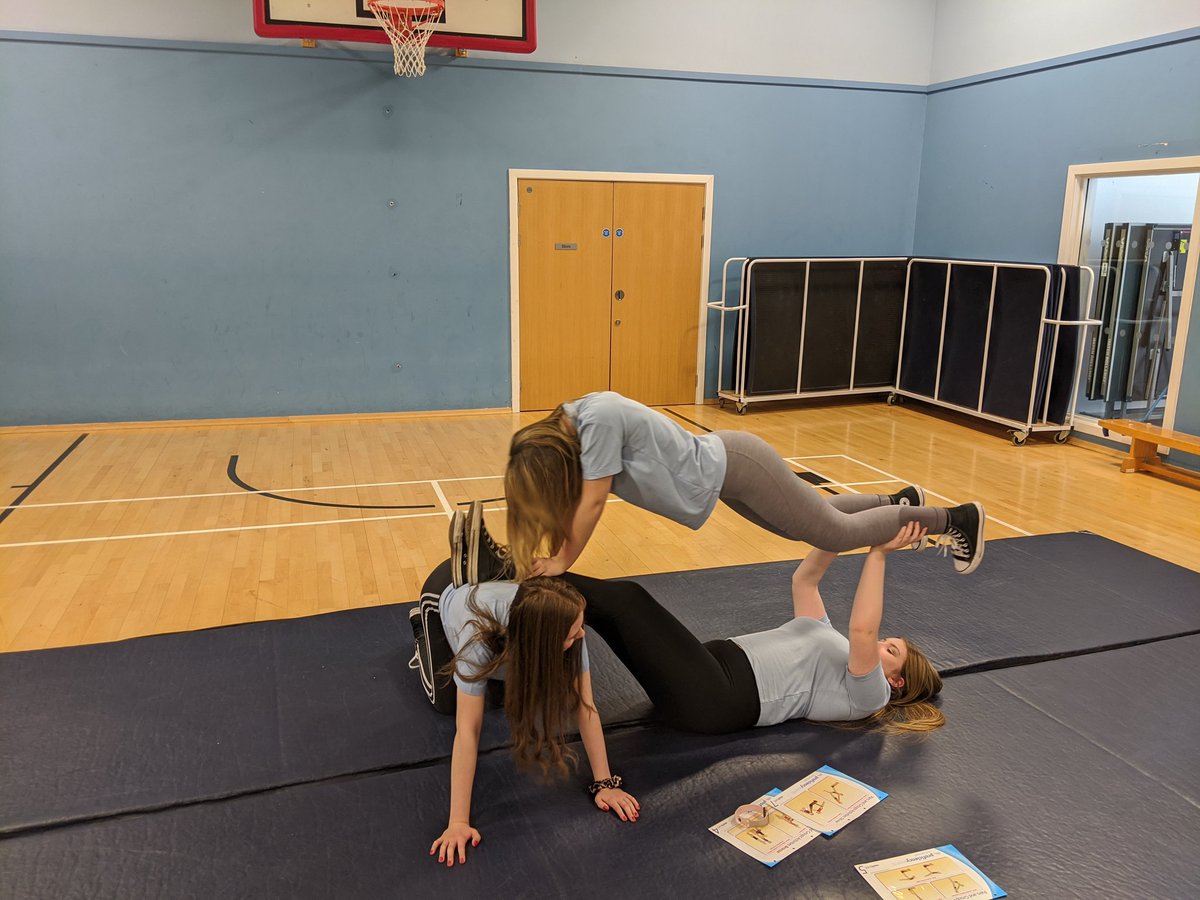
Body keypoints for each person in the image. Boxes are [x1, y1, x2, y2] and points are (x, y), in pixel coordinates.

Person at [409, 508, 944, 865]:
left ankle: (523, 574)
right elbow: (805, 580)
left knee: (628, 602)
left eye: (892, 653)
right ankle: (524, 584)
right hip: (712, 667)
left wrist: (878, 551)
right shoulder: (822, 632)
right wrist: (846, 525)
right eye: (890, 643)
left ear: (896, 682)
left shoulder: (868, 690)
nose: (881, 646)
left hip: (719, 699)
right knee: (609, 614)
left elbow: (864, 629)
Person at [503, 391, 985, 580]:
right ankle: (897, 502)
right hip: (728, 473)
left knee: (831, 534)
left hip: (737, 464)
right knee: (815, 520)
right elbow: (568, 504)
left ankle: (956, 518)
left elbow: (589, 505)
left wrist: (563, 559)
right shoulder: (578, 422)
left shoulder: (597, 421)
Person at [410, 510, 639, 868]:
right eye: (573, 634)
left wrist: (604, 782)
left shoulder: (564, 623)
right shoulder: (475, 640)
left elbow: (586, 706)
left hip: (506, 608)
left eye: (580, 626)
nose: (581, 635)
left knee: (507, 685)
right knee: (448, 704)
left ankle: (499, 568)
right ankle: (422, 631)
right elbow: (467, 732)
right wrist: (458, 822)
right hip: (449, 593)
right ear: (544, 640)